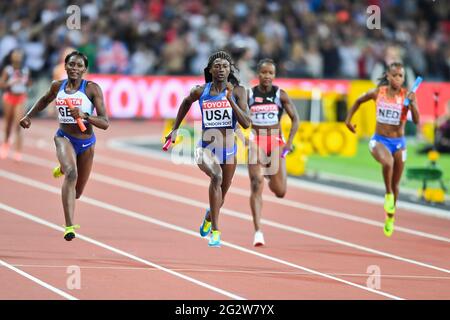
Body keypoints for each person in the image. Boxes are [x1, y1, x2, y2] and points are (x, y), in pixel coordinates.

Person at [19, 51, 109, 241]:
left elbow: (105, 123)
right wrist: (28, 116)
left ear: (85, 69)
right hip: (64, 138)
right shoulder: (57, 86)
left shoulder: (92, 89)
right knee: (71, 173)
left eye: (79, 66)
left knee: (77, 193)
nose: (74, 68)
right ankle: (69, 226)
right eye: (71, 65)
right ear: (65, 66)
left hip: (86, 143)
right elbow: (44, 100)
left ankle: (63, 166)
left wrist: (85, 116)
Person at [165, 51, 250, 247]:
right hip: (205, 148)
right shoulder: (200, 91)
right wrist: (175, 129)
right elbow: (186, 102)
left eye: (225, 66)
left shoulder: (238, 92)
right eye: (217, 66)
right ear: (210, 70)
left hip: (229, 151)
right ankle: (216, 232)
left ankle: (209, 217)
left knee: (222, 196)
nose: (221, 69)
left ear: (230, 70)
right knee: (217, 177)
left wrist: (230, 100)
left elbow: (246, 123)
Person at [345, 62, 420, 237]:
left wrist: (413, 103)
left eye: (401, 76)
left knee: (396, 183)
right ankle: (387, 194)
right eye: (395, 75)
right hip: (379, 141)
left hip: (399, 143)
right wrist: (348, 120)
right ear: (388, 76)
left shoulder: (405, 96)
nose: (398, 79)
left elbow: (416, 121)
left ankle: (390, 217)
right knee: (388, 162)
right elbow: (358, 101)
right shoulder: (378, 92)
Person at [247, 59, 299, 246]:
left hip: (276, 142)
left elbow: (295, 119)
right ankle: (258, 231)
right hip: (257, 142)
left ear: (274, 75)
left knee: (280, 191)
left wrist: (289, 143)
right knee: (255, 183)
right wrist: (242, 136)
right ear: (258, 74)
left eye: (270, 73)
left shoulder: (280, 95)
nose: (267, 76)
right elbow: (238, 118)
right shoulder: (250, 95)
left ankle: (269, 175)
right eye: (264, 72)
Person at [0, 49, 31, 161]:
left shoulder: (25, 70)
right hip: (9, 97)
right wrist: (10, 82)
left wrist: (27, 82)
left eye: (19, 55)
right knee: (8, 123)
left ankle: (18, 151)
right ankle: (6, 143)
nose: (17, 57)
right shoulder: (8, 70)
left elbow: (29, 83)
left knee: (19, 123)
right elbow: (1, 84)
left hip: (20, 97)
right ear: (11, 57)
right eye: (15, 55)